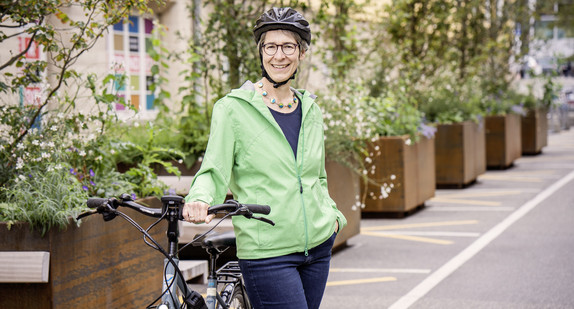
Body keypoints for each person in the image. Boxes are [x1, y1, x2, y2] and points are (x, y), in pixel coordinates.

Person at [182, 7, 347, 309]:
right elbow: (213, 169)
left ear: (301, 53)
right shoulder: (232, 109)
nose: (279, 56)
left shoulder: (310, 109)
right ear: (260, 52)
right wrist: (200, 198)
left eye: (288, 46)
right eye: (270, 46)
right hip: (268, 253)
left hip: (318, 248)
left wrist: (333, 217)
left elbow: (317, 176)